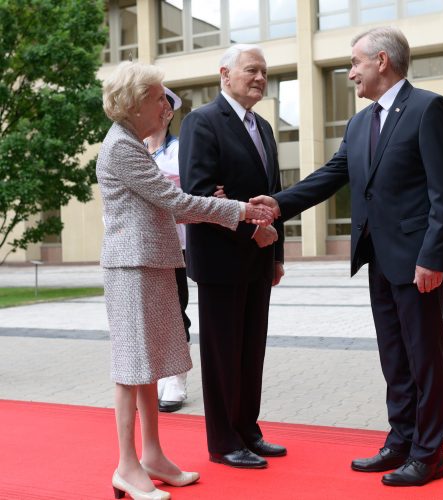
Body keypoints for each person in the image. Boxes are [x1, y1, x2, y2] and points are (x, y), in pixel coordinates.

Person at [251, 26, 443, 487]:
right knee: (395, 356)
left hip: (418, 262)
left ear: (382, 62)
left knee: (425, 359)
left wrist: (434, 257)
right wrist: (280, 202)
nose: (350, 73)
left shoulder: (429, 108)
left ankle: (429, 455)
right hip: (376, 256)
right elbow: (332, 174)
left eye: (355, 63)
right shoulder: (359, 123)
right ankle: (401, 440)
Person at [96, 60, 274, 500]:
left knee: (150, 367)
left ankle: (152, 455)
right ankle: (126, 465)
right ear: (135, 103)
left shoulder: (133, 143)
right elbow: (173, 202)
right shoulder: (120, 146)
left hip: (152, 264)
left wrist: (215, 205)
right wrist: (239, 210)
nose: (167, 107)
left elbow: (169, 202)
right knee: (131, 370)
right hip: (132, 268)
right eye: (159, 99)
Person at [178, 44, 286, 469]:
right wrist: (251, 228)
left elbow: (273, 196)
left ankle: (248, 431)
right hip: (222, 260)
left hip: (260, 259)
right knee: (223, 353)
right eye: (251, 70)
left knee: (251, 350)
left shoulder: (263, 126)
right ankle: (223, 442)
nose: (260, 77)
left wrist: (275, 252)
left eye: (264, 71)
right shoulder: (201, 122)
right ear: (225, 73)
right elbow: (199, 194)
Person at [145, 87, 191, 414]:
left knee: (175, 308)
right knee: (149, 312)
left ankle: (176, 379)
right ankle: (156, 374)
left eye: (163, 103)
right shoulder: (133, 151)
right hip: (143, 246)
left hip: (177, 243)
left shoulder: (180, 151)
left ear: (170, 112)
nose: (157, 109)